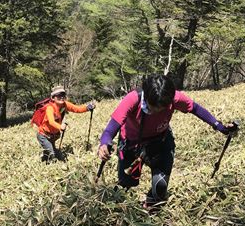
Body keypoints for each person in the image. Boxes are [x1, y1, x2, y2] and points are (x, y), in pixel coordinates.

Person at [97, 74, 235, 210]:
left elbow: (196, 109)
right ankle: (121, 210)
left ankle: (152, 208)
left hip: (160, 142)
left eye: (162, 107)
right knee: (126, 184)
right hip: (131, 145)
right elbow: (110, 129)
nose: (157, 111)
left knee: (160, 187)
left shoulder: (173, 97)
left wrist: (219, 126)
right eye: (153, 107)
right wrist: (104, 144)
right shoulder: (133, 99)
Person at [34, 86, 95, 162]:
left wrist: (87, 108)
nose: (62, 97)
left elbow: (76, 109)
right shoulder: (50, 108)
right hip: (43, 135)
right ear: (53, 98)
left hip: (53, 136)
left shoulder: (65, 104)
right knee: (52, 153)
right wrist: (60, 126)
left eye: (63, 95)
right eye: (58, 95)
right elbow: (51, 121)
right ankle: (51, 164)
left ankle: (44, 160)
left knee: (53, 153)